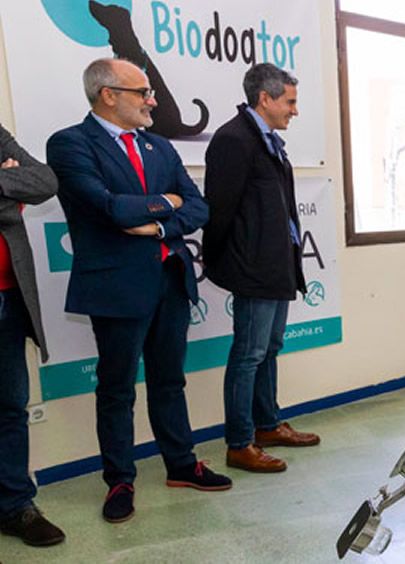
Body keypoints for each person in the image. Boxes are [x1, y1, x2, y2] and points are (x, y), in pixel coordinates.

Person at [46, 58, 231, 524]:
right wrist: (166, 203)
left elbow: (199, 207)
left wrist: (156, 224)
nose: (153, 100)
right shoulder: (70, 144)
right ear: (108, 95)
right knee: (117, 388)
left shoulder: (159, 146)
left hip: (169, 279)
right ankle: (120, 480)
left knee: (170, 381)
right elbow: (109, 208)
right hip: (117, 286)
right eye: (142, 92)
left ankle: (181, 465)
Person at [204, 63, 319, 474]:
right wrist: (228, 264)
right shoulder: (233, 140)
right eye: (290, 102)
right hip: (253, 269)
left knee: (268, 348)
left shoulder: (267, 140)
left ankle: (267, 425)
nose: (295, 111)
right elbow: (219, 212)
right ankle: (240, 443)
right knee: (248, 354)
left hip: (276, 265)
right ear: (265, 98)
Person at [0, 125, 64, 546]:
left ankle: (15, 506)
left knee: (10, 407)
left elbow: (44, 181)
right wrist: (9, 186)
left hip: (9, 298)